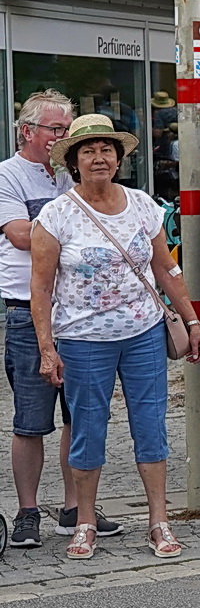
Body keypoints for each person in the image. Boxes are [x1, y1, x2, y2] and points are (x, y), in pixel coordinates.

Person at [31, 115, 200, 560]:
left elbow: (165, 268)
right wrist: (47, 348)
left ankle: (158, 521)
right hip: (82, 339)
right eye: (88, 151)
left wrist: (191, 321)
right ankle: (86, 522)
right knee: (87, 431)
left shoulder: (142, 204)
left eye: (106, 150)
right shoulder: (56, 215)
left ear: (119, 157)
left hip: (144, 333)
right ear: (73, 160)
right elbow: (40, 287)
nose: (99, 158)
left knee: (150, 428)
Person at [3, 91, 95, 549]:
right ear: (28, 131)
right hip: (26, 310)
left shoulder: (68, 177)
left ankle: (75, 508)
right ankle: (26, 511)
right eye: (56, 130)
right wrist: (68, 225)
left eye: (68, 131)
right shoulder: (8, 175)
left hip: (76, 309)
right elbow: (20, 235)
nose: (63, 138)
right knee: (30, 420)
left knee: (78, 416)